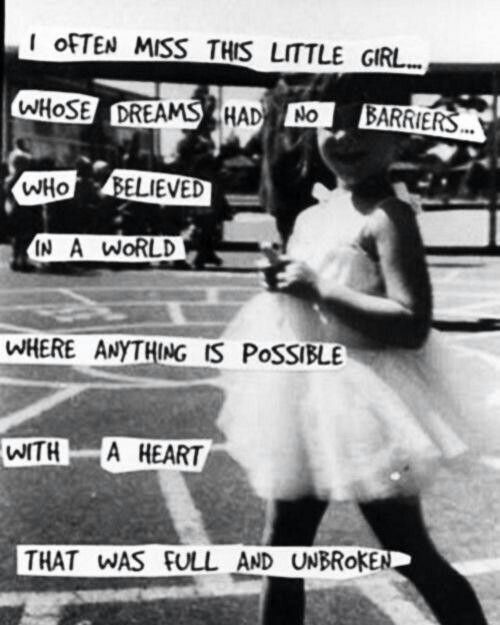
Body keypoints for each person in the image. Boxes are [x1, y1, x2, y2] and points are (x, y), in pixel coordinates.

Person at [217, 74, 490, 625]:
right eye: (332, 123)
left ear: (399, 136)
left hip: (367, 402)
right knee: (280, 550)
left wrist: (318, 287)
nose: (345, 136)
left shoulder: (388, 216)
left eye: (365, 124)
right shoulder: (314, 215)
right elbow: (311, 294)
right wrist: (284, 279)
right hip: (302, 394)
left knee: (409, 550)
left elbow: (411, 323)